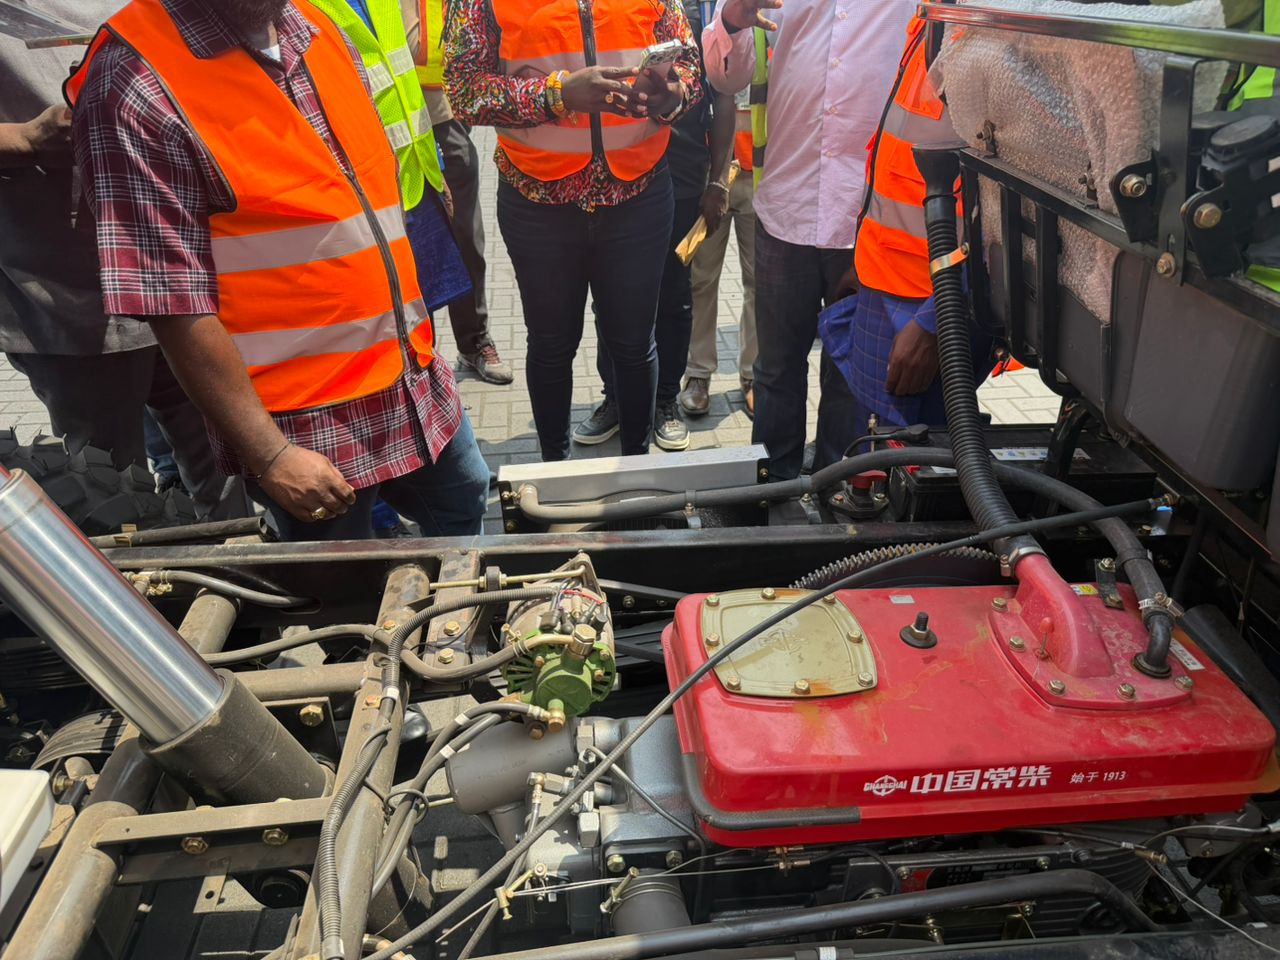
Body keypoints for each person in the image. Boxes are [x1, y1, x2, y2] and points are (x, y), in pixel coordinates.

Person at [68, 0, 489, 542]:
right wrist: (270, 456)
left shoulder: (314, 25)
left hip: (411, 378)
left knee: (464, 512)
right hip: (306, 424)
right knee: (346, 597)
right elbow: (170, 302)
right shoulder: (133, 82)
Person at [0, 0, 236, 519]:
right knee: (115, 488)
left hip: (183, 275)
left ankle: (243, 579)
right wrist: (21, 139)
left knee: (228, 465)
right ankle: (142, 596)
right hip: (64, 292)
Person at [445, 0, 702, 461]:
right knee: (550, 344)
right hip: (537, 202)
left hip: (638, 196)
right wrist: (555, 95)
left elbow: (687, 61)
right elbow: (463, 89)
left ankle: (636, 472)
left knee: (634, 344)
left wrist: (674, 94)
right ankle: (554, 467)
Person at [704, 0, 914, 479]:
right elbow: (724, 77)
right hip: (786, 206)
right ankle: (773, 487)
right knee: (776, 369)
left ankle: (838, 491)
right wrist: (733, 21)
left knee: (850, 375)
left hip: (869, 215)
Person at [818, 12, 986, 433]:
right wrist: (865, 260)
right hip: (887, 286)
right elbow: (893, 159)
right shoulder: (935, 17)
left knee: (906, 461)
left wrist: (934, 322)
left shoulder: (987, 26)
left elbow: (1005, 210)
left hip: (927, 306)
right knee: (874, 448)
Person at [576, 0, 712, 453]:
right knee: (611, 304)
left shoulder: (690, 9)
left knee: (673, 294)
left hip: (684, 167)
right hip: (614, 174)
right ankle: (616, 399)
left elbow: (718, 88)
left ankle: (664, 402)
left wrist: (719, 177)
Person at [403, 0, 514, 384]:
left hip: (442, 115)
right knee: (410, 246)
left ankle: (474, 342)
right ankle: (421, 357)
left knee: (466, 237)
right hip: (390, 119)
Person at [680, 80, 759, 420]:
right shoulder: (709, 28)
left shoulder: (775, 30)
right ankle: (698, 373)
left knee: (760, 283)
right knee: (702, 280)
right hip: (713, 177)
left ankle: (754, 375)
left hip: (763, 176)